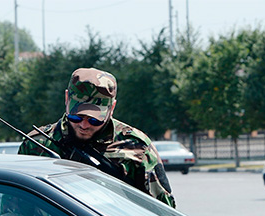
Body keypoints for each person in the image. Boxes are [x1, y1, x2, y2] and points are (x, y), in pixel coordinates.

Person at [17, 67, 175, 208]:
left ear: (112, 108)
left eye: (94, 119)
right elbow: (15, 213)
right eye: (76, 116)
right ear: (67, 99)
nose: (84, 125)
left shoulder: (137, 147)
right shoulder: (36, 145)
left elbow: (165, 213)